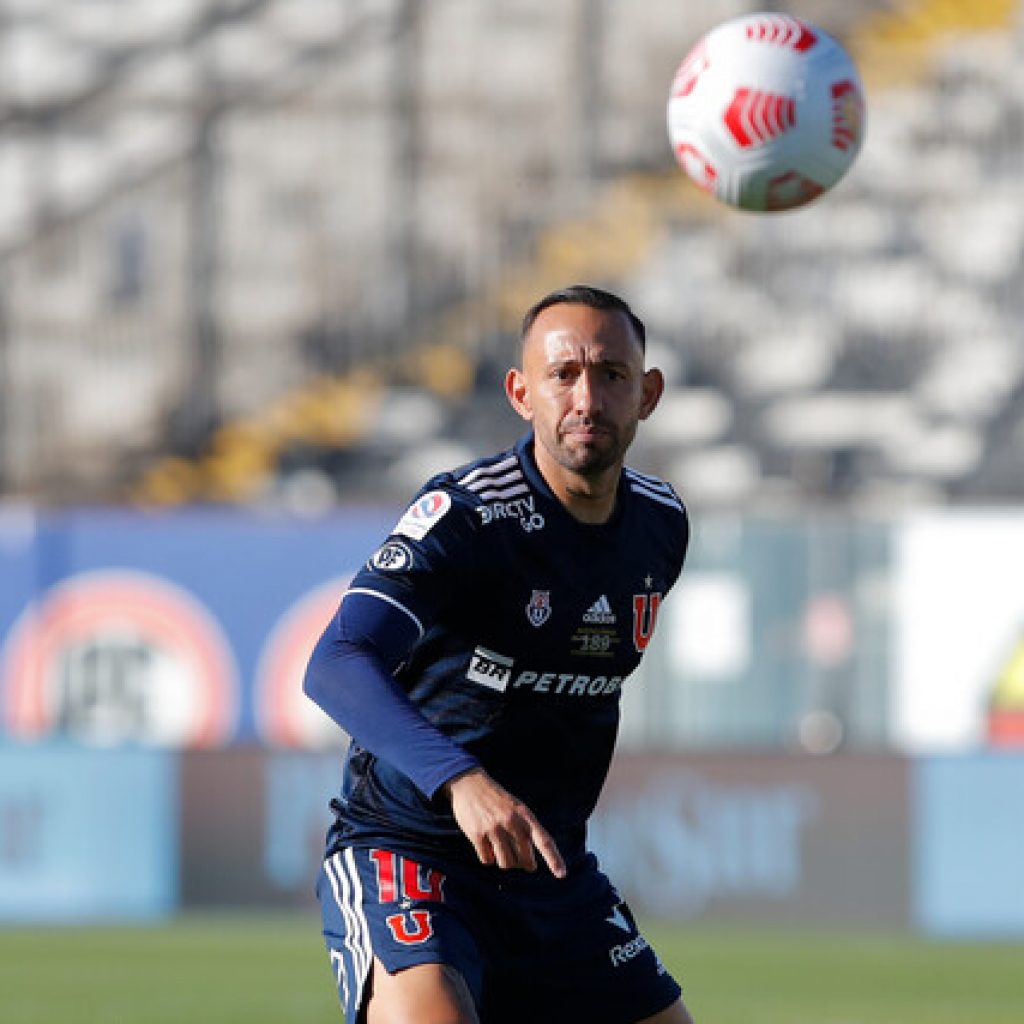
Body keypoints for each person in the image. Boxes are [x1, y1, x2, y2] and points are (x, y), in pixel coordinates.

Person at [304, 284, 695, 1024]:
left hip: (550, 874)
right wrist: (461, 780)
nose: (587, 398)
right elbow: (338, 658)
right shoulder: (468, 515)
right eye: (563, 375)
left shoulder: (662, 525)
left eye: (611, 375)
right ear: (522, 393)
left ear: (647, 395)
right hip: (410, 856)